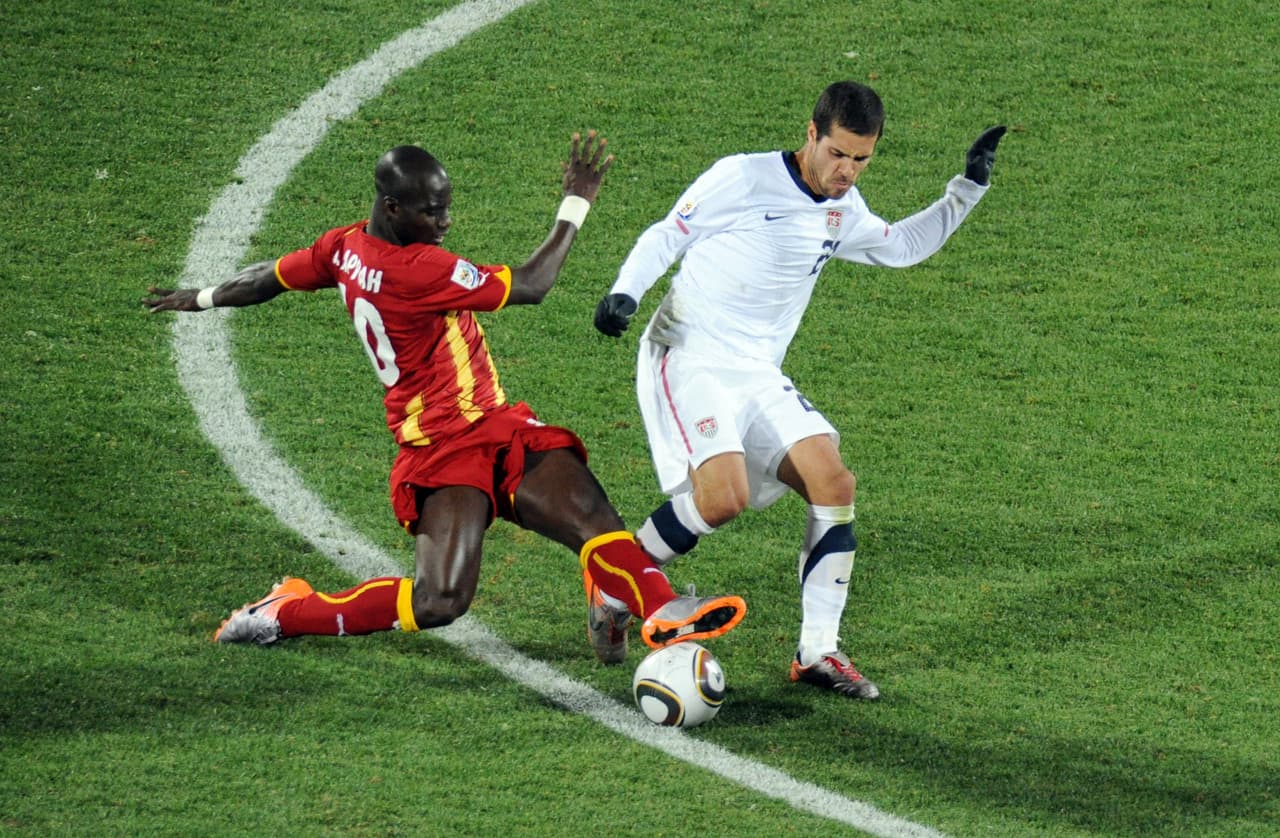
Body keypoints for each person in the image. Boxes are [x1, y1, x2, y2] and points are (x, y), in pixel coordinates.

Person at [144, 131, 745, 660]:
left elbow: (270, 277)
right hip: (441, 450)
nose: (445, 222)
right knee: (439, 602)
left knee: (594, 520)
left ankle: (663, 608)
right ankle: (284, 611)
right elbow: (532, 286)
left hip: (500, 426)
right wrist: (576, 203)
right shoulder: (419, 270)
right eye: (433, 213)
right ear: (393, 207)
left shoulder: (345, 248)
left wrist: (200, 297)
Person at [592, 83, 1007, 698]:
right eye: (839, 154)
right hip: (690, 354)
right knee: (722, 499)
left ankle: (818, 652)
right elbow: (667, 234)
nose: (848, 171)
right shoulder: (741, 177)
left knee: (833, 482)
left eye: (862, 159)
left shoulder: (844, 208)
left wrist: (966, 189)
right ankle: (613, 586)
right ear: (811, 133)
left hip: (758, 370)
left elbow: (903, 247)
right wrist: (626, 290)